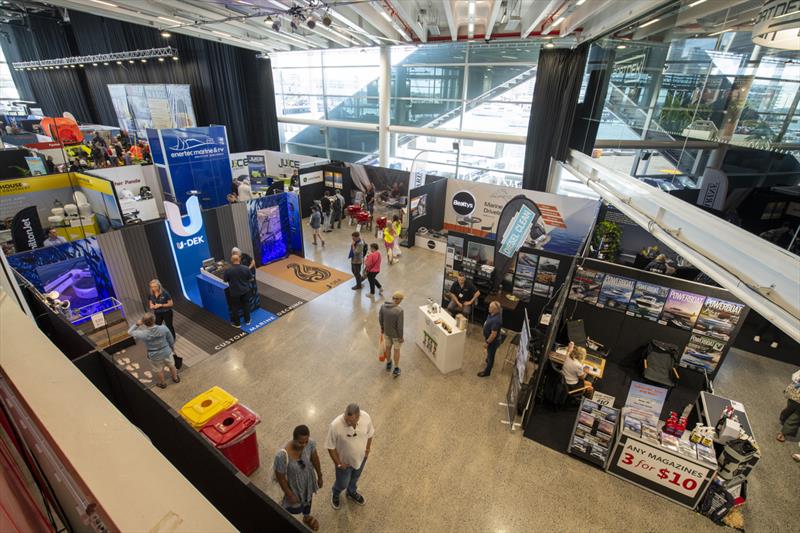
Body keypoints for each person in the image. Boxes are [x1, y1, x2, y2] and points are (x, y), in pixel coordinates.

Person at [325, 403, 374, 510]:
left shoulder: (366, 417)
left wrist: (367, 449)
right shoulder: (335, 425)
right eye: (346, 418)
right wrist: (338, 463)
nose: (347, 422)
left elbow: (370, 434)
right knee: (342, 483)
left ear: (358, 417)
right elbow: (330, 447)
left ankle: (351, 492)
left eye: (350, 421)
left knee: (355, 477)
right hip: (344, 463)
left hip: (361, 459)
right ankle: (336, 493)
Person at [274, 425, 323, 531]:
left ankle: (306, 517)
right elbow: (281, 478)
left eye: (306, 441)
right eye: (300, 442)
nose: (304, 445)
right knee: (293, 509)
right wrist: (290, 494)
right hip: (293, 488)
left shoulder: (310, 443)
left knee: (308, 501)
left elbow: (315, 458)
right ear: (294, 439)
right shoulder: (282, 456)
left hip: (308, 483)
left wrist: (320, 476)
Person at [127, 313, 179, 389]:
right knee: (171, 366)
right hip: (166, 352)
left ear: (143, 323)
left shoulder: (143, 334)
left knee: (159, 370)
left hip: (154, 355)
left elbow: (129, 332)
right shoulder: (163, 328)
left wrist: (137, 324)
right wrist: (172, 349)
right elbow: (170, 340)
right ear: (154, 319)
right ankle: (175, 378)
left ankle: (163, 384)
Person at [379, 291, 404, 377]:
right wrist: (401, 337)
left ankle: (389, 363)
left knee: (388, 348)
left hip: (386, 332)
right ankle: (396, 368)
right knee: (396, 351)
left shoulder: (383, 306)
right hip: (396, 335)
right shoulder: (399, 310)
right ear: (399, 300)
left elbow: (380, 319)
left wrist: (382, 328)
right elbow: (400, 326)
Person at [223, 254, 252, 328]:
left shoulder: (228, 270)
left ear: (232, 261)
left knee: (235, 307)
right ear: (239, 260)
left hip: (234, 292)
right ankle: (247, 320)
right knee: (246, 305)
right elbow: (250, 278)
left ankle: (237, 324)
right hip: (245, 290)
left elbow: (225, 280)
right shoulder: (245, 268)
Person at [478, 301, 503, 377]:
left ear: (495, 309)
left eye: (490, 307)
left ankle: (487, 372)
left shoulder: (496, 320)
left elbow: (493, 334)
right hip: (489, 339)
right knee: (489, 354)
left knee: (491, 356)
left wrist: (487, 342)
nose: (488, 308)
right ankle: (488, 359)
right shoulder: (493, 314)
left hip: (493, 342)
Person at [777, 370, 800, 443]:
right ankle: (783, 432)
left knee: (792, 411)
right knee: (795, 415)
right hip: (796, 394)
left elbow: (795, 376)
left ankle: (783, 421)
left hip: (793, 393)